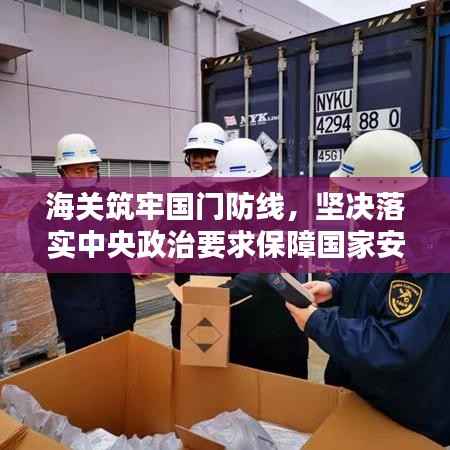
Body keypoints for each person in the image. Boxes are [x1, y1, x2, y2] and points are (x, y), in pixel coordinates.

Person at [286, 130, 450, 445]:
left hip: (404, 415)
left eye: (353, 192)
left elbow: (393, 344)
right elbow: (367, 277)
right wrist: (334, 287)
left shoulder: (428, 253)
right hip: (367, 396)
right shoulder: (385, 223)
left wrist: (318, 322)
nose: (347, 199)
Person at [29, 133, 141, 353]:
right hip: (76, 311)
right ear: (62, 172)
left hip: (117, 304)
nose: (86, 176)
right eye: (77, 171)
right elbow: (46, 254)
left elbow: (136, 240)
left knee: (122, 362)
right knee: (84, 368)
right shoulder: (45, 210)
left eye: (91, 169)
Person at [213, 138, 309, 379]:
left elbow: (269, 265)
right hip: (237, 328)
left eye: (243, 186)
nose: (236, 192)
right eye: (230, 186)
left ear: (261, 180)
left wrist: (223, 292)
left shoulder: (284, 211)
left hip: (278, 327)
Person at [169, 122, 226, 348]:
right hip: (188, 291)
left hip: (227, 292)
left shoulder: (236, 196)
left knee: (224, 349)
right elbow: (163, 238)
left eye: (211, 165)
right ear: (188, 163)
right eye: (197, 165)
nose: (203, 171)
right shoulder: (179, 197)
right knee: (186, 347)